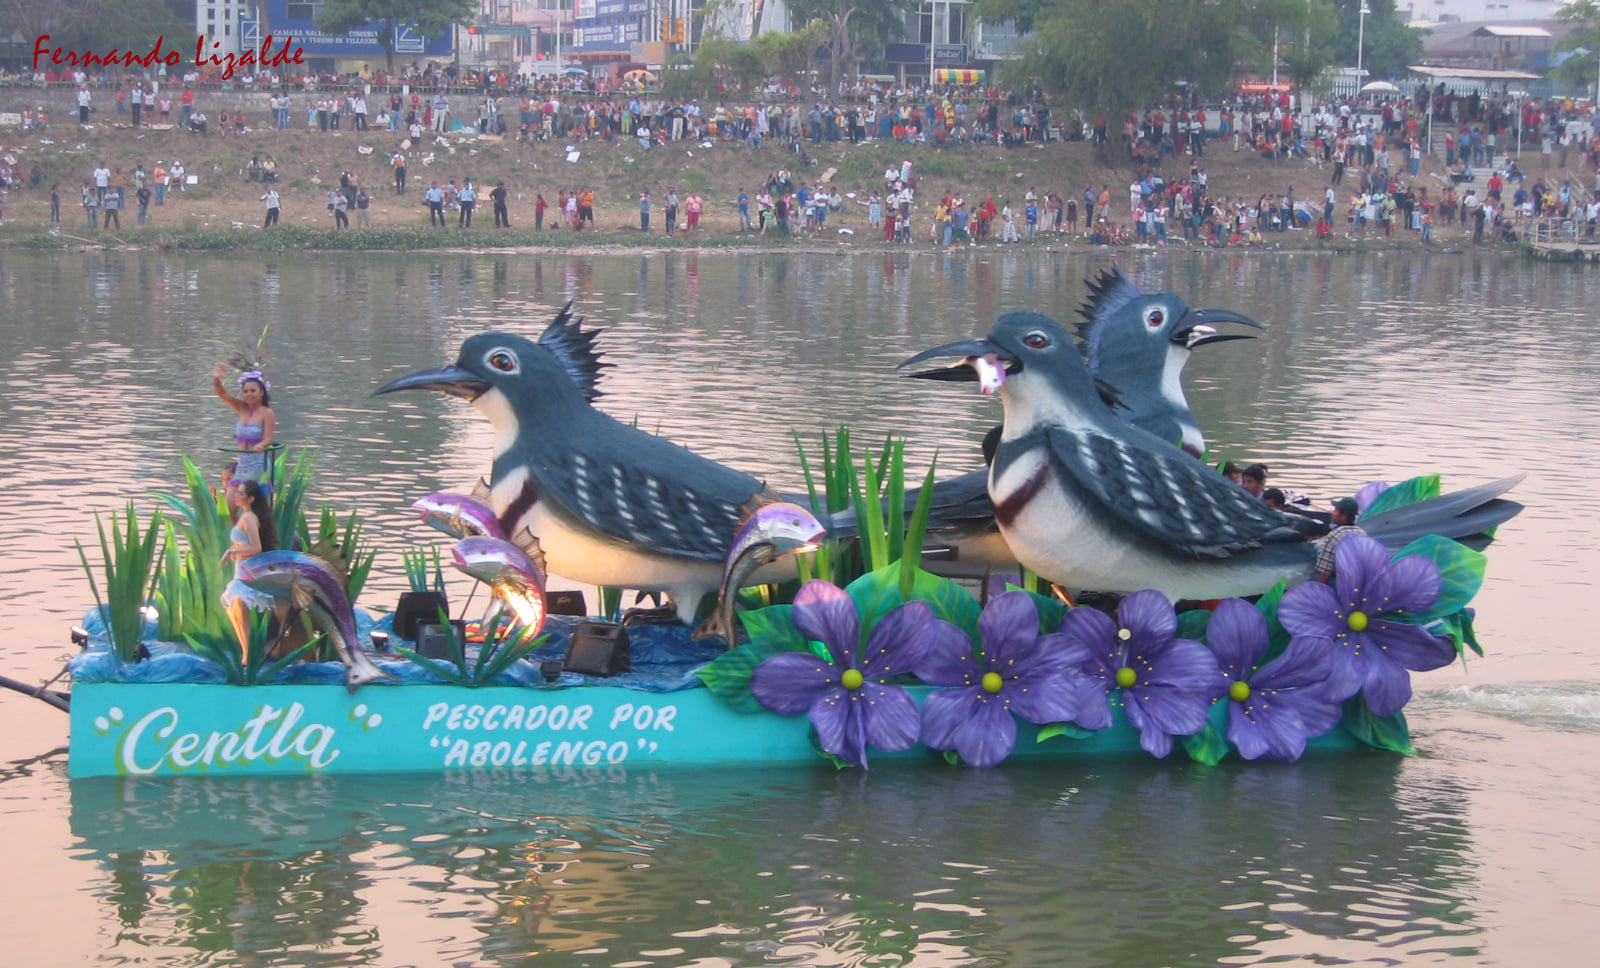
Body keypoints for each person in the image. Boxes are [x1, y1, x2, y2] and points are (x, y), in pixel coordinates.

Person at [212, 364, 276, 484]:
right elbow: (223, 395)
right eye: (245, 391)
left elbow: (268, 439)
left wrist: (261, 445)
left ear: (261, 392)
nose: (248, 394)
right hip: (242, 463)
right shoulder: (242, 408)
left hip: (258, 463)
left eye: (253, 391)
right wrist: (216, 380)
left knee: (246, 494)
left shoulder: (267, 413)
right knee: (231, 495)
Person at [1314, 498, 1364, 582]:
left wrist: (1319, 586)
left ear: (1344, 516)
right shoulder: (1361, 532)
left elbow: (1325, 570)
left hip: (1341, 581)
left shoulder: (1335, 534)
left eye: (1335, 511)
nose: (1332, 513)